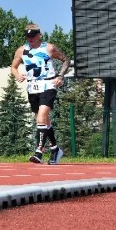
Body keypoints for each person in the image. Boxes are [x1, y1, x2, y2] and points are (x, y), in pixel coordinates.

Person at [11, 23, 70, 165]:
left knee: (42, 117)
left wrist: (60, 76)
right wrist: (17, 75)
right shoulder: (21, 50)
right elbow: (13, 67)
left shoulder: (49, 48)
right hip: (32, 87)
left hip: (48, 85)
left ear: (39, 35)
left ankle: (39, 151)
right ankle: (55, 149)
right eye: (27, 36)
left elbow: (66, 60)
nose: (29, 39)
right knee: (43, 121)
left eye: (32, 36)